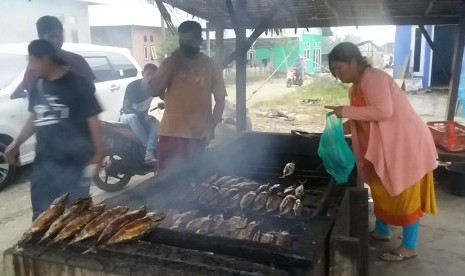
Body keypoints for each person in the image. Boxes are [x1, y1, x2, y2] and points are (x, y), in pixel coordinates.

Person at [325, 42, 438, 262]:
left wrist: (345, 111)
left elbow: (383, 111)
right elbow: (364, 116)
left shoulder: (373, 77)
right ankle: (383, 231)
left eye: (339, 68)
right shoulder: (354, 88)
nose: (337, 74)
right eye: (334, 70)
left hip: (404, 145)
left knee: (405, 194)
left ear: (354, 62)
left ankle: (409, 246)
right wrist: (340, 127)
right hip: (383, 147)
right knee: (380, 189)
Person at [5, 39, 104, 220]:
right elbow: (35, 117)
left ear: (47, 58)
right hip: (44, 165)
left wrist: (99, 153)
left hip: (75, 164)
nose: (30, 66)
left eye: (33, 60)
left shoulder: (78, 84)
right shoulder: (38, 86)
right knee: (42, 217)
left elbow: (93, 120)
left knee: (75, 217)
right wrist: (16, 142)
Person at [149, 20, 227, 173]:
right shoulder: (170, 62)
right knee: (165, 181)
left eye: (190, 41)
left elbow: (220, 101)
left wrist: (210, 127)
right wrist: (172, 63)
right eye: (182, 41)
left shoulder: (210, 66)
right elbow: (153, 90)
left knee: (193, 179)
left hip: (197, 135)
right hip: (170, 133)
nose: (185, 45)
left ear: (200, 41)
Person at [21, 15, 95, 92]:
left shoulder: (77, 60)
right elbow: (30, 93)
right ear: (41, 38)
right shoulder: (35, 66)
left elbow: (91, 89)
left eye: (59, 36)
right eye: (51, 37)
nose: (56, 41)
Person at [120, 63, 159, 162]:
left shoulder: (154, 89)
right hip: (126, 116)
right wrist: (143, 116)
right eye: (149, 74)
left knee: (156, 122)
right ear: (142, 74)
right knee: (133, 117)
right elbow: (126, 107)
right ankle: (149, 150)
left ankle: (149, 153)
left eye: (155, 75)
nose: (151, 77)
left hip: (141, 118)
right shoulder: (132, 86)